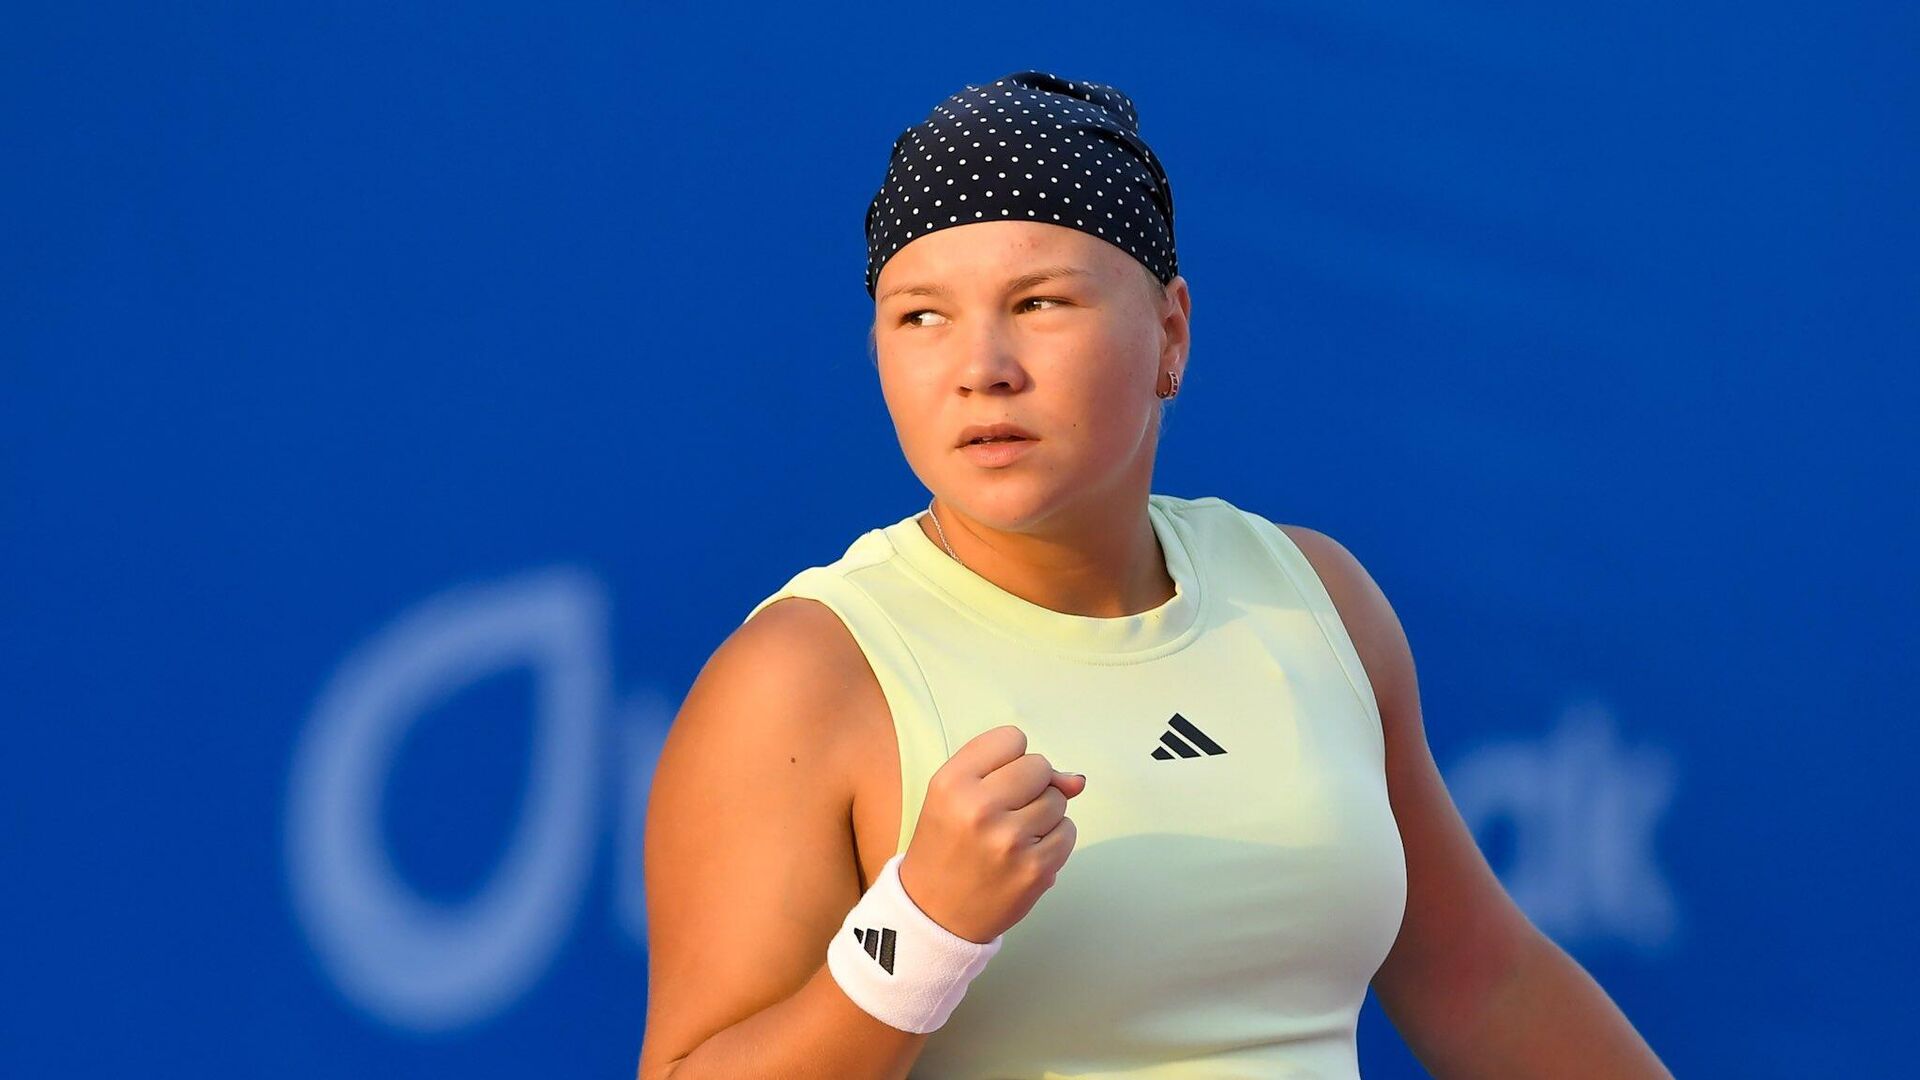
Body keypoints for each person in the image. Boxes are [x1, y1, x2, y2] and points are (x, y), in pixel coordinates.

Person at [637, 71, 1671, 1080]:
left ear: (1171, 330)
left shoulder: (1314, 595)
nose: (981, 367)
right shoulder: (803, 672)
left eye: (1039, 302)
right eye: (921, 316)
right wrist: (921, 931)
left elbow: (1482, 984)